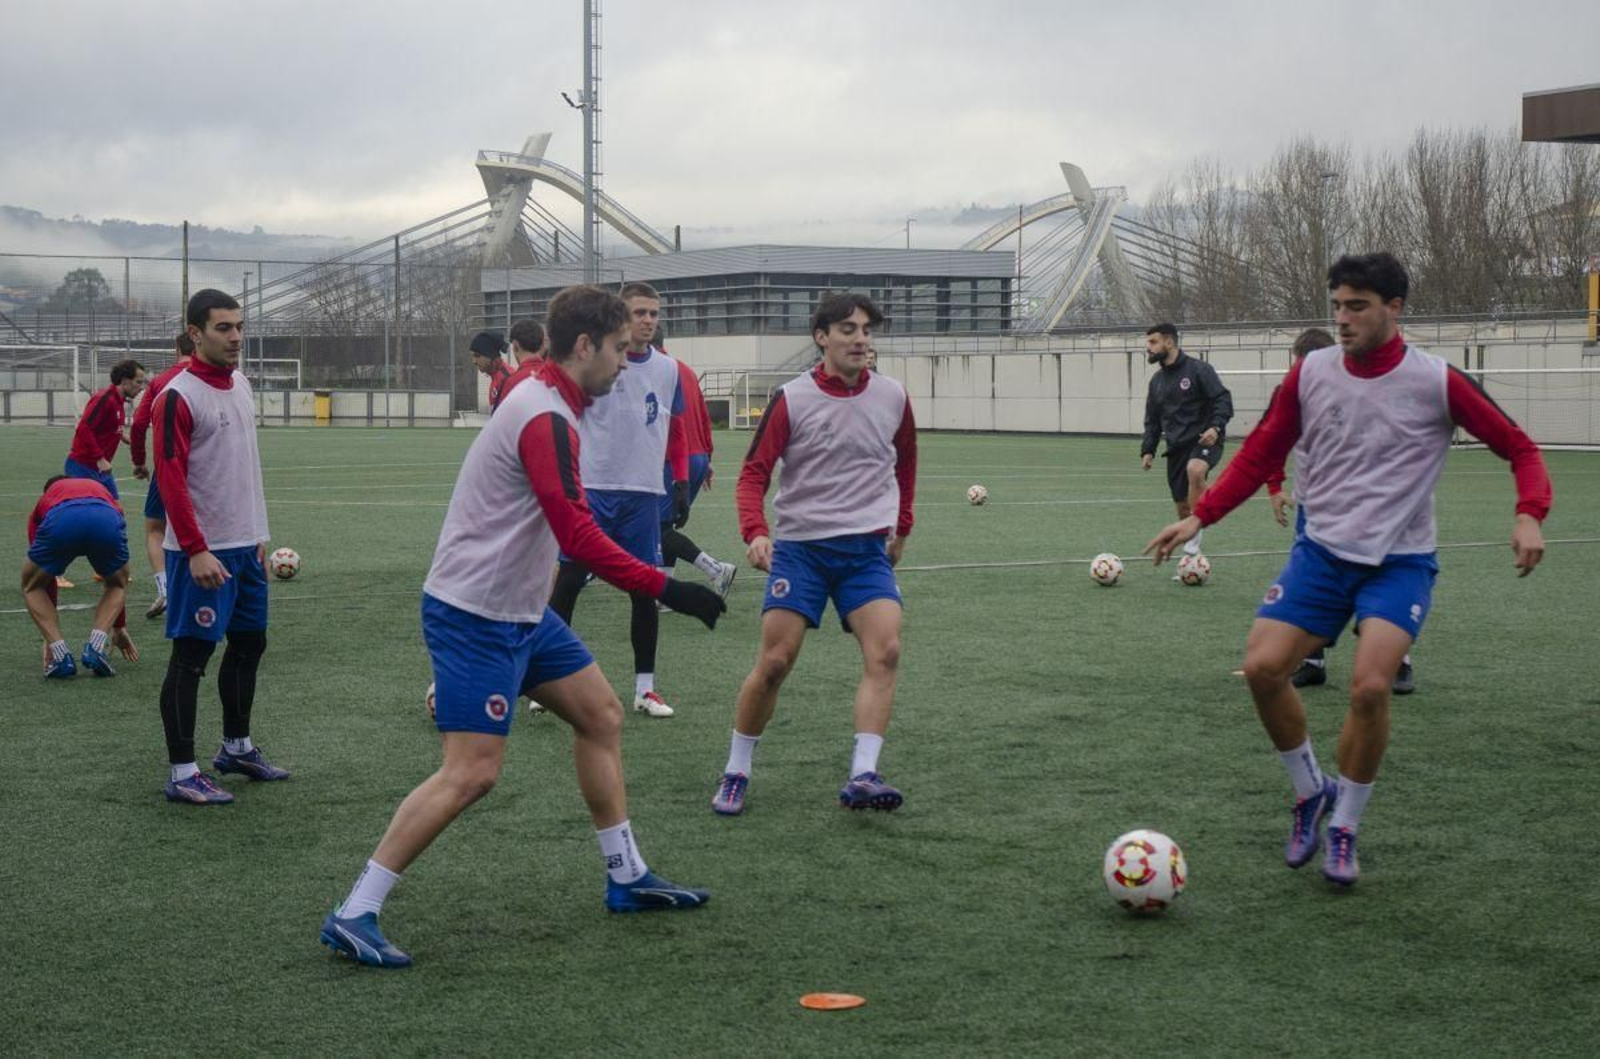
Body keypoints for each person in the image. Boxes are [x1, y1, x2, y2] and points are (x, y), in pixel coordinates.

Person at [318, 284, 725, 969]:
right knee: (472, 772)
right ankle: (355, 909)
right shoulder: (544, 414)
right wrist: (667, 586)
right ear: (586, 346)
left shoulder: (548, 396)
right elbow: (576, 532)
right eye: (621, 350)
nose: (627, 365)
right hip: (475, 612)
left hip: (520, 609)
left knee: (600, 714)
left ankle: (626, 876)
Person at [1144, 253, 1551, 887]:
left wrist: (1530, 513)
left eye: (1357, 306)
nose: (1343, 318)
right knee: (1261, 668)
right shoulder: (1311, 374)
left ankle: (1345, 828)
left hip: (1400, 563)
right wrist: (1202, 518)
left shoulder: (1437, 381)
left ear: (1395, 308)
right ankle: (1311, 792)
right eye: (1337, 305)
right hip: (1322, 555)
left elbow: (1520, 447)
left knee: (1369, 687)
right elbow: (1261, 453)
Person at [710, 292, 917, 816]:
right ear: (821, 336)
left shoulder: (893, 396)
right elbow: (754, 473)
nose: (860, 339)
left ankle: (863, 774)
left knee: (886, 652)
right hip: (801, 550)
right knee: (776, 662)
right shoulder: (792, 398)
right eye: (847, 329)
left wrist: (901, 527)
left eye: (866, 330)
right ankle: (736, 770)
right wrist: (756, 531)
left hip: (866, 551)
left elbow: (906, 465)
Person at [151, 289, 287, 806]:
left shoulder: (243, 385)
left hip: (244, 548)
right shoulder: (178, 396)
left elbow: (243, 469)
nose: (235, 337)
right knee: (191, 657)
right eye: (223, 328)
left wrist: (258, 535)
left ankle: (236, 748)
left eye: (239, 327)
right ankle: (184, 773)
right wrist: (194, 548)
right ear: (195, 334)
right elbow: (170, 478)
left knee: (250, 644)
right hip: (201, 553)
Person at [547, 282, 692, 718]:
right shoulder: (598, 363)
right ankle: (546, 681)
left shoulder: (669, 370)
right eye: (639, 312)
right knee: (568, 582)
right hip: (592, 489)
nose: (647, 320)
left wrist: (679, 480)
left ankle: (645, 689)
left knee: (643, 588)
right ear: (620, 318)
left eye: (653, 312)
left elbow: (674, 425)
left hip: (643, 494)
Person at [1266, 327, 1418, 695]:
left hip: (1369, 505)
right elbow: (1271, 443)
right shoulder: (1288, 392)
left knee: (1376, 576)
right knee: (1315, 582)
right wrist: (1274, 487)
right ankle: (1313, 662)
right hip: (1315, 508)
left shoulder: (1363, 390)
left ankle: (1398, 660)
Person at [23, 476, 138, 678]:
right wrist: (119, 627)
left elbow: (46, 579)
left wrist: (50, 637)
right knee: (117, 584)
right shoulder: (100, 490)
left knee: (32, 586)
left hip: (62, 521)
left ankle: (61, 656)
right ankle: (95, 647)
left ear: (47, 493)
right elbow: (119, 520)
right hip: (106, 517)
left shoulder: (43, 505)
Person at [1139, 323, 1232, 561]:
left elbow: (1223, 399)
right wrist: (1148, 449)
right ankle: (1191, 555)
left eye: (1152, 342)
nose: (1147, 347)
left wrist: (1215, 426)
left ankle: (1193, 545)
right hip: (1176, 447)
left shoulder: (1199, 370)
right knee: (1182, 507)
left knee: (1196, 469)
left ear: (1169, 342)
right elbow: (1152, 420)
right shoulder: (1157, 381)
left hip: (1205, 438)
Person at [659, 350, 737, 600]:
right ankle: (665, 590)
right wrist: (707, 459)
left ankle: (715, 569)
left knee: (657, 527)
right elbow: (703, 417)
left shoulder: (654, 371)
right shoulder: (686, 370)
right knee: (665, 525)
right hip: (697, 457)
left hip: (673, 460)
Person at [129, 333, 194, 619]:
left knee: (156, 528)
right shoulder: (224, 378)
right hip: (212, 469)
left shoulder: (162, 381)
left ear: (176, 349)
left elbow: (139, 424)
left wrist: (140, 462)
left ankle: (166, 588)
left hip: (171, 465)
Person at [65, 357, 148, 499]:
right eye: (138, 382)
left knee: (114, 510)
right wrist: (100, 459)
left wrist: (123, 437)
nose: (141, 387)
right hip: (83, 466)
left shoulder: (119, 401)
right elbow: (84, 428)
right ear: (124, 381)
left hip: (99, 469)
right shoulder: (105, 399)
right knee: (92, 513)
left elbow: (109, 425)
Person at [470, 331, 512, 413]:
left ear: (490, 355)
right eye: (472, 356)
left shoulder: (507, 379)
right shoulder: (496, 376)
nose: (474, 361)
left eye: (477, 355)